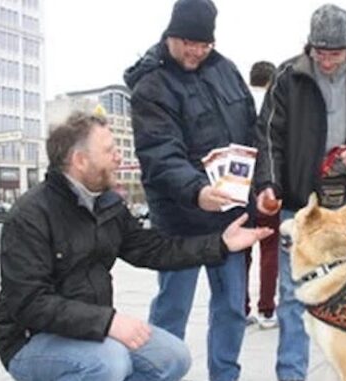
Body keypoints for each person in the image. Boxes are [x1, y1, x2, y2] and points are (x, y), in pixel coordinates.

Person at [0, 112, 271, 381]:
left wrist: (220, 244)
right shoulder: (30, 215)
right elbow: (30, 304)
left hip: (87, 330)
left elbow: (153, 249)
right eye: (109, 150)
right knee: (109, 362)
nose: (119, 157)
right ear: (80, 160)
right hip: (31, 340)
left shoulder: (106, 203)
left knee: (173, 357)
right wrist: (108, 323)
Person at [254, 5, 346, 380]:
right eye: (320, 51)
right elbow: (269, 135)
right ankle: (291, 374)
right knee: (292, 297)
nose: (327, 59)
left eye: (335, 52)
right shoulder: (288, 77)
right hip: (301, 203)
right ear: (309, 46)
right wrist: (269, 183)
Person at [123, 1, 258, 380]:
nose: (196, 52)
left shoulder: (227, 71)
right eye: (188, 43)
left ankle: (225, 376)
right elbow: (160, 152)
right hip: (180, 218)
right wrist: (197, 191)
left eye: (204, 45)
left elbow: (252, 129)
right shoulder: (151, 84)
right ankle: (158, 373)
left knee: (232, 305)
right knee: (172, 307)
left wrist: (262, 184)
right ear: (171, 35)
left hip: (228, 215)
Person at [244, 60, 279, 329]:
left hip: (241, 183)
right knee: (270, 251)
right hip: (266, 183)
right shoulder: (275, 101)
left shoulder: (242, 101)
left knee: (241, 251)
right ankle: (267, 309)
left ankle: (241, 308)